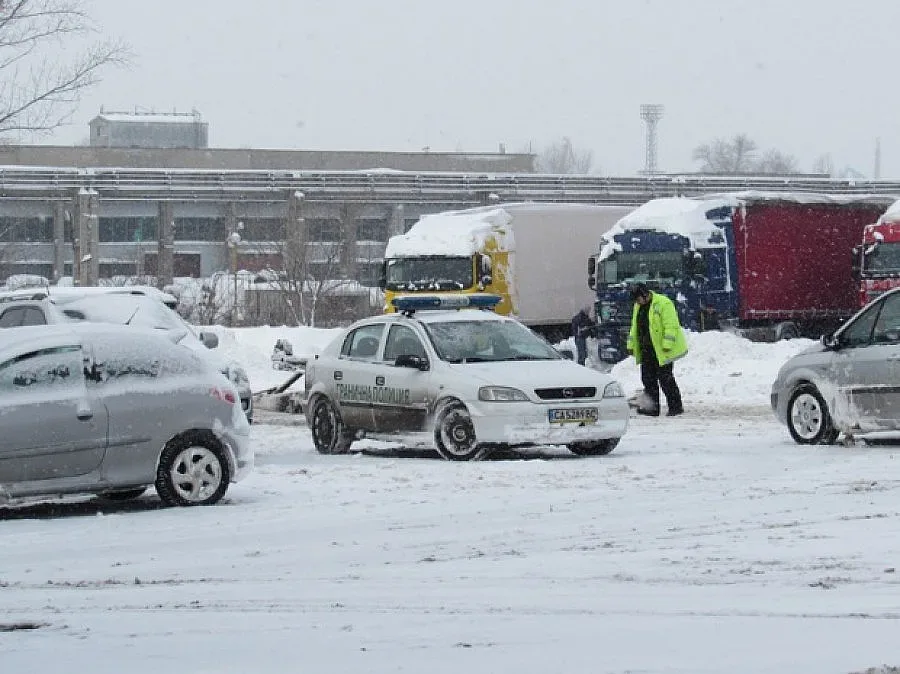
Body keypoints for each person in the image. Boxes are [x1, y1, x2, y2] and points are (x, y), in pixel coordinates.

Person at [626, 283, 687, 416]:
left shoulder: (663, 303)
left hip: (661, 351)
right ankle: (651, 408)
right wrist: (631, 345)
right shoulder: (638, 306)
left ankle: (676, 407)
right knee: (648, 380)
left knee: (666, 380)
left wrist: (667, 344)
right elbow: (634, 327)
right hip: (646, 350)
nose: (637, 302)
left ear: (644, 294)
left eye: (638, 299)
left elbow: (671, 325)